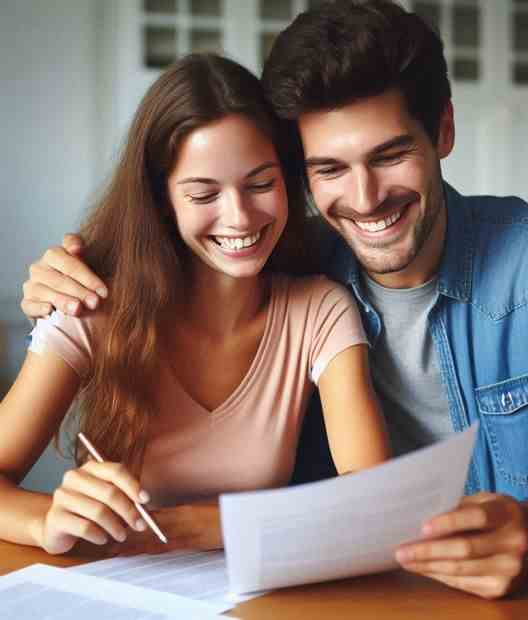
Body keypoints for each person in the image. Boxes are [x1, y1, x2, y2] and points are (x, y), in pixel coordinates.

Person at [19, 0, 528, 599]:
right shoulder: (290, 265)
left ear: (443, 130)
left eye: (390, 155)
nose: (364, 199)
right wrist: (66, 276)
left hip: (525, 597)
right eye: (328, 168)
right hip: (340, 596)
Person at [0, 52, 389, 557]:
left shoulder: (319, 311)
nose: (241, 217)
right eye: (204, 194)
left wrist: (222, 526)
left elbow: (375, 497)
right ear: (163, 200)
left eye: (260, 184)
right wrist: (45, 520)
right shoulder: (92, 304)